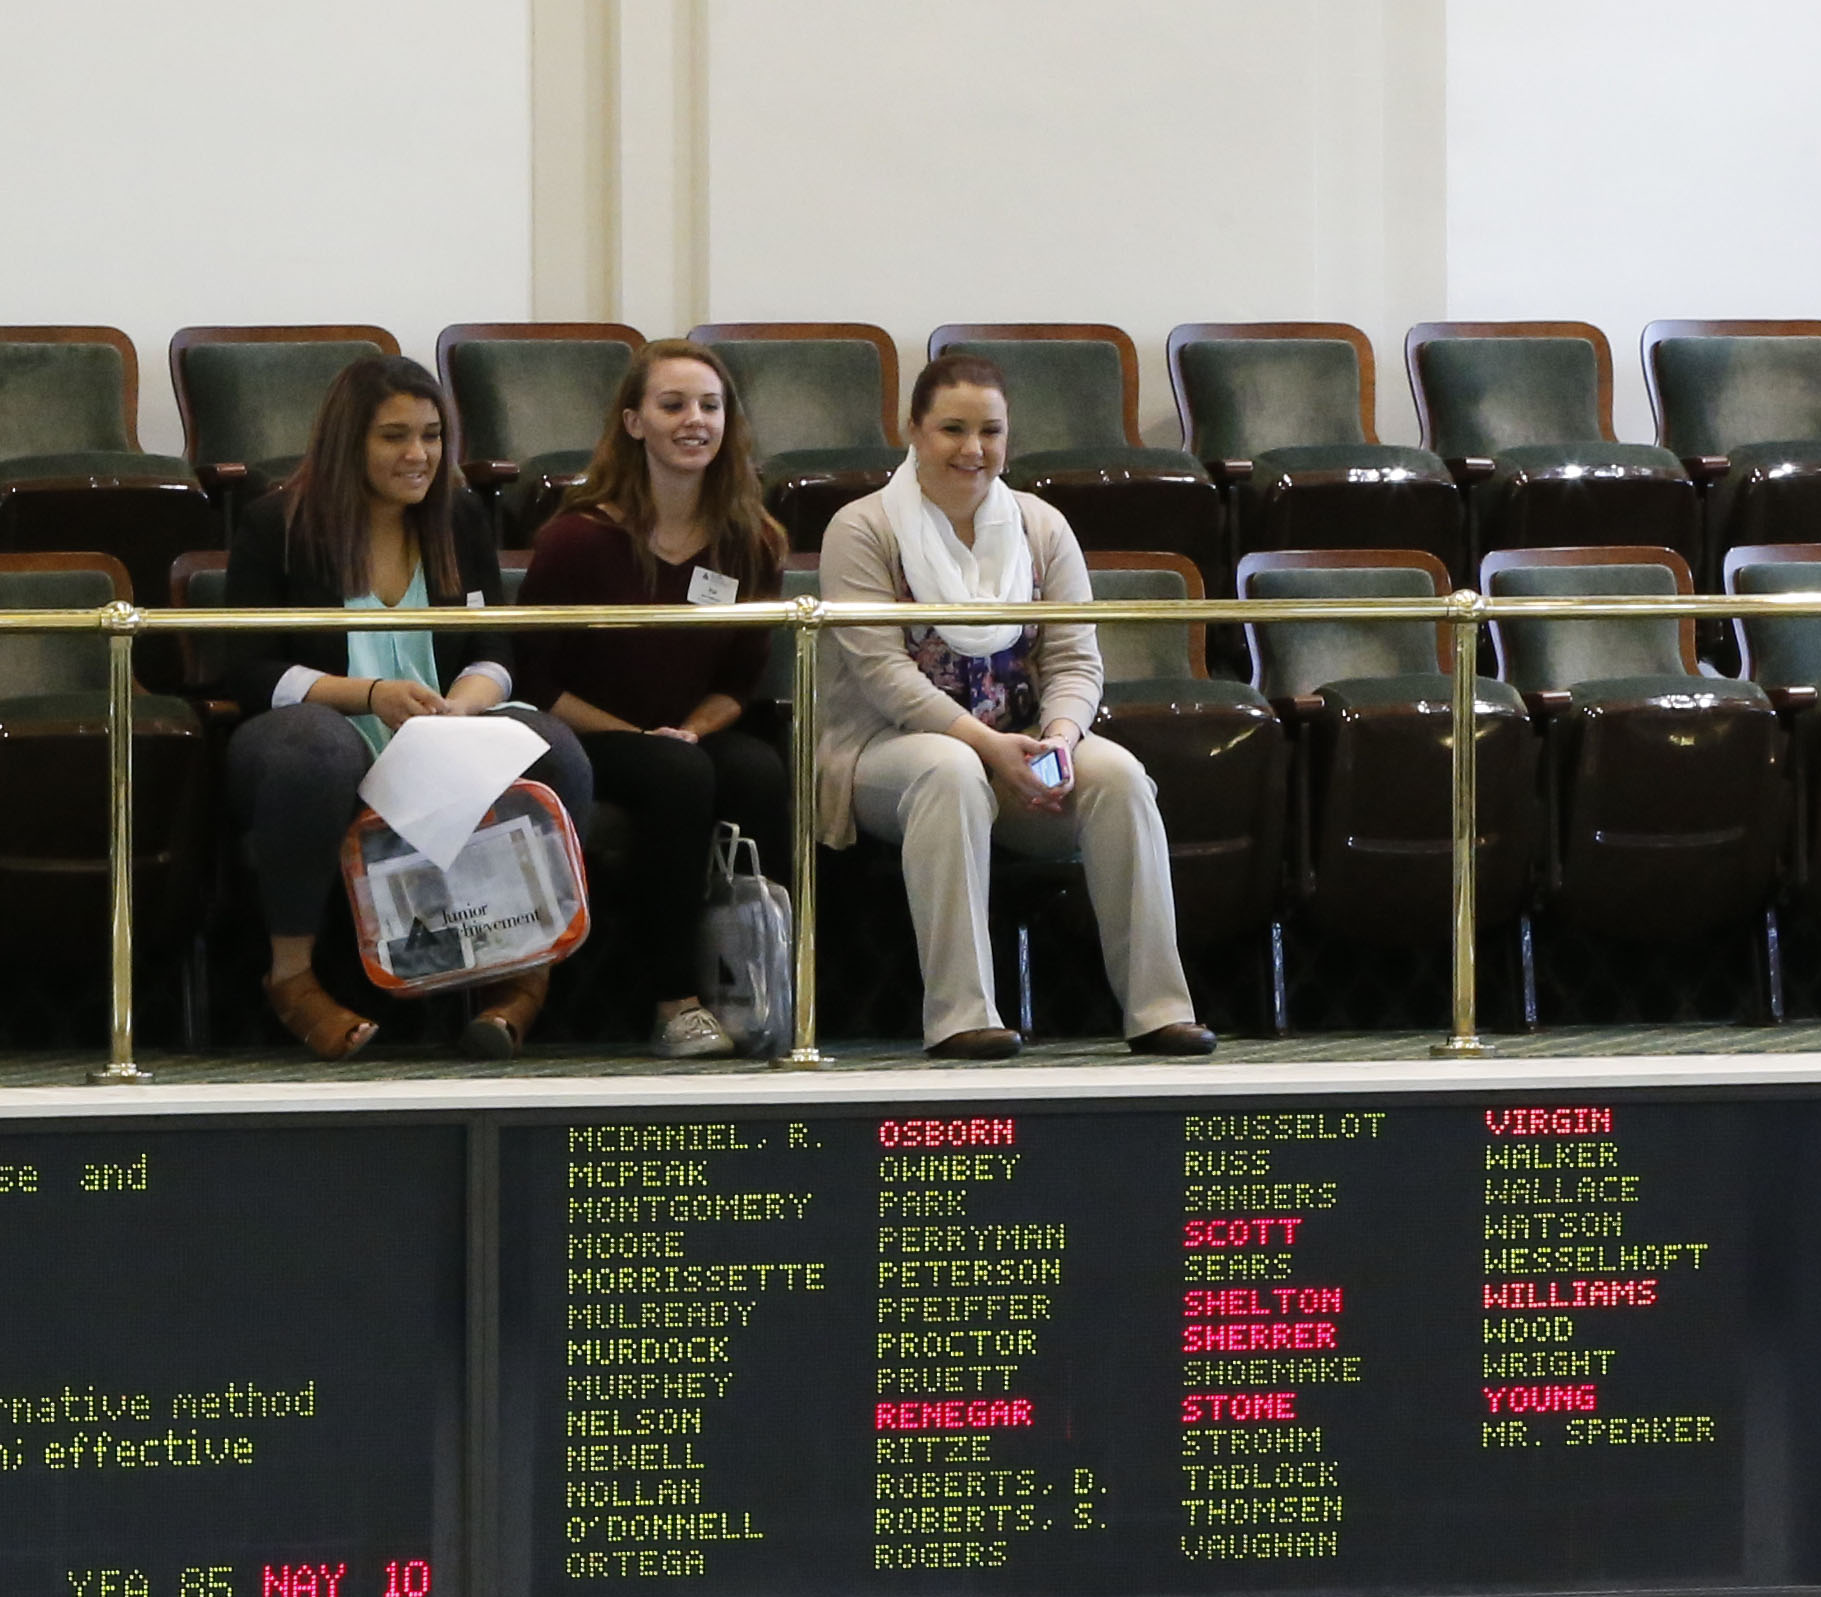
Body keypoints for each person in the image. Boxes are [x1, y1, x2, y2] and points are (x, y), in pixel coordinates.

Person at [814, 350, 1213, 1058]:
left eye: (989, 431)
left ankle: (1158, 1009)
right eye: (951, 429)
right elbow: (882, 675)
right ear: (913, 430)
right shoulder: (861, 527)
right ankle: (961, 1015)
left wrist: (1060, 736)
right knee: (948, 768)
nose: (972, 450)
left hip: (1024, 741)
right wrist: (988, 745)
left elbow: (1074, 661)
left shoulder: (1041, 526)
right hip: (885, 748)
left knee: (1116, 773)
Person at [222, 353, 608, 1061]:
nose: (417, 454)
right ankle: (292, 977)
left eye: (431, 435)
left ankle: (522, 977)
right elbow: (246, 669)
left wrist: (466, 704)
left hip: (442, 731)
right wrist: (365, 696)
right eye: (393, 436)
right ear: (349, 443)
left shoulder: (458, 516)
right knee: (317, 749)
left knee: (554, 748)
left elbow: (496, 652)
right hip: (320, 732)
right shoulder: (275, 523)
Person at [517, 340, 794, 1057]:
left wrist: (691, 729)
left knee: (757, 770)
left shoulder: (751, 541)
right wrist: (646, 740)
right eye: (672, 405)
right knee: (676, 776)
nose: (693, 420)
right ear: (634, 421)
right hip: (585, 736)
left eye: (709, 405)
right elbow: (538, 679)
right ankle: (674, 1001)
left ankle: (763, 986)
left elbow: (740, 680)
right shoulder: (576, 540)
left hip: (689, 733)